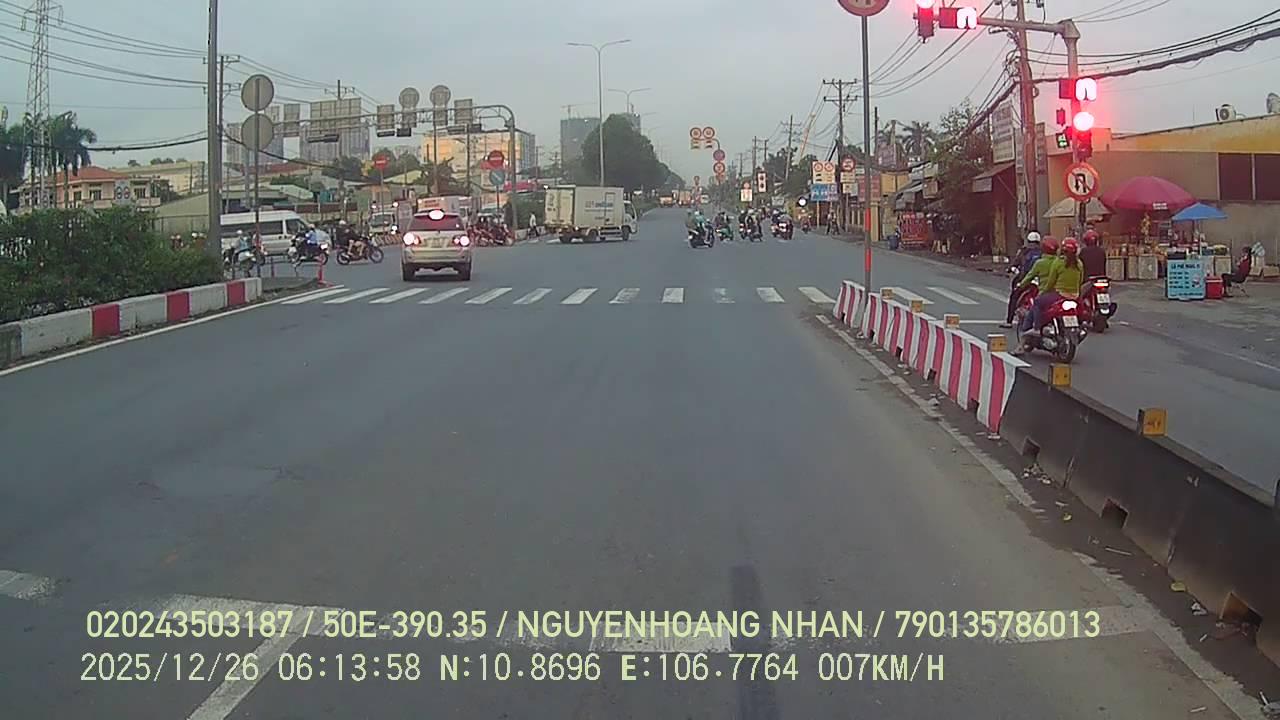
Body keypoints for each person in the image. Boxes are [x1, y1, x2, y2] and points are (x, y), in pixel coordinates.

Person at [1015, 237, 1083, 352]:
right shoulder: (1079, 264)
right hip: (1075, 296)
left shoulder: (1057, 263)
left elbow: (1051, 282)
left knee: (1037, 302)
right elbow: (1080, 280)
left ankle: (1036, 328)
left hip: (1059, 295)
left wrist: (1042, 292)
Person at [1002, 232, 1043, 328]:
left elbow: (1015, 263)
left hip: (1026, 279)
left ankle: (1009, 321)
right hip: (1040, 281)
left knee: (1014, 296)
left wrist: (1011, 268)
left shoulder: (1023, 251)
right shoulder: (1043, 252)